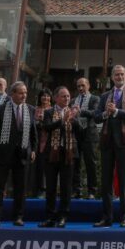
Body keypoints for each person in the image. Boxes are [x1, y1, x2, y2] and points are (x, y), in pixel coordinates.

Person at [92, 65, 125, 228]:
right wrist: (106, 112)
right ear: (112, 77)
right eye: (116, 74)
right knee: (106, 181)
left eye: (122, 74)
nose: (119, 77)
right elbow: (97, 117)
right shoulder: (105, 95)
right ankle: (107, 217)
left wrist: (116, 111)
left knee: (124, 180)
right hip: (107, 142)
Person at [0, 80, 37, 226]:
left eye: (26, 93)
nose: (24, 95)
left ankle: (18, 217)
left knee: (21, 188)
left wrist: (33, 149)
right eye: (21, 93)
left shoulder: (30, 109)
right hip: (3, 153)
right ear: (13, 94)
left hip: (22, 154)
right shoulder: (1, 109)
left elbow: (34, 132)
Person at [39, 86, 82, 228]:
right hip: (52, 154)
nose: (67, 99)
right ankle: (50, 217)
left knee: (66, 188)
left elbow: (80, 131)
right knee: (50, 187)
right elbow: (46, 127)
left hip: (68, 154)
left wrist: (74, 119)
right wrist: (62, 121)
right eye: (63, 96)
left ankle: (63, 216)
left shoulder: (72, 112)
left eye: (68, 96)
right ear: (56, 98)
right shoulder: (49, 112)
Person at [72, 77, 100, 199]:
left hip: (90, 135)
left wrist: (81, 111)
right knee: (75, 163)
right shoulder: (73, 100)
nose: (81, 88)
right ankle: (76, 190)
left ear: (88, 85)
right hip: (76, 134)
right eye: (78, 86)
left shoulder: (95, 98)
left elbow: (95, 113)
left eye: (83, 85)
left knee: (90, 164)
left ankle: (92, 191)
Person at [32, 88, 52, 198]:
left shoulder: (53, 109)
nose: (45, 98)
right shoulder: (34, 109)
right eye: (43, 95)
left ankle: (46, 189)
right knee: (38, 166)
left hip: (50, 141)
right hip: (36, 140)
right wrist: (37, 121)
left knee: (47, 166)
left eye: (48, 95)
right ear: (39, 97)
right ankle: (36, 189)